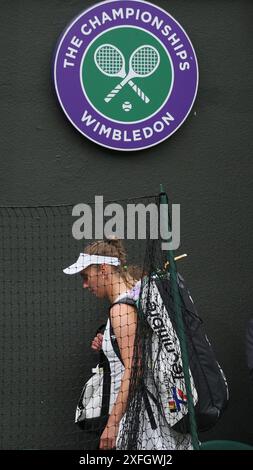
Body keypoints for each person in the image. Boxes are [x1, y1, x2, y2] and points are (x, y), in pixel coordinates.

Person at [63, 238, 192, 450]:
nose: (85, 285)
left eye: (86, 277)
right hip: (159, 418)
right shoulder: (136, 297)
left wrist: (112, 425)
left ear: (103, 269)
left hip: (146, 424)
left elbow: (135, 369)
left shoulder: (121, 309)